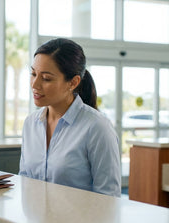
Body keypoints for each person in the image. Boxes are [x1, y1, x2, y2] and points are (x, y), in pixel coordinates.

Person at [18, 38, 121, 197]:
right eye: (33, 74)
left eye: (46, 78)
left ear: (73, 82)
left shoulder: (97, 127)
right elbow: (25, 181)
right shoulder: (31, 123)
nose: (35, 84)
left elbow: (108, 197)